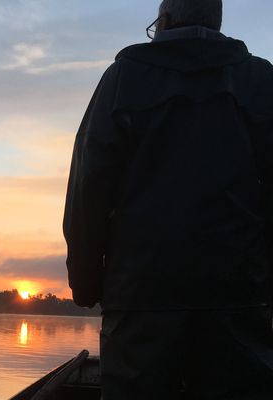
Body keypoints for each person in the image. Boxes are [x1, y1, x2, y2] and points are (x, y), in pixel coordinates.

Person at [62, 0, 273, 398]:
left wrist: (86, 282)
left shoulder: (122, 80)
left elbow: (88, 189)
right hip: (238, 295)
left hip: (141, 296)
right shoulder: (262, 81)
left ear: (165, 21)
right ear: (219, 23)